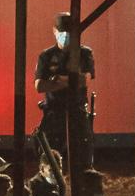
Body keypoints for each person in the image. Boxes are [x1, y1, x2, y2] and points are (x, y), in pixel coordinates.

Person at [35, 12, 95, 170]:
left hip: (77, 109)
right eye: (62, 32)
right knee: (49, 157)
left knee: (83, 156)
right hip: (54, 111)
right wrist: (72, 81)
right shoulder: (46, 56)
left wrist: (57, 80)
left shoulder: (84, 53)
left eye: (69, 32)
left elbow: (85, 80)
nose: (66, 36)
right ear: (54, 31)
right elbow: (39, 86)